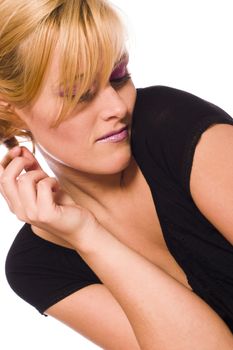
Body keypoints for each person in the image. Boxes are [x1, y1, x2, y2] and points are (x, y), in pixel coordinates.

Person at [0, 0, 233, 349]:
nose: (117, 107)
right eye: (80, 94)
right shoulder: (36, 266)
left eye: (119, 77)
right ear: (12, 111)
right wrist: (86, 235)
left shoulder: (172, 126)